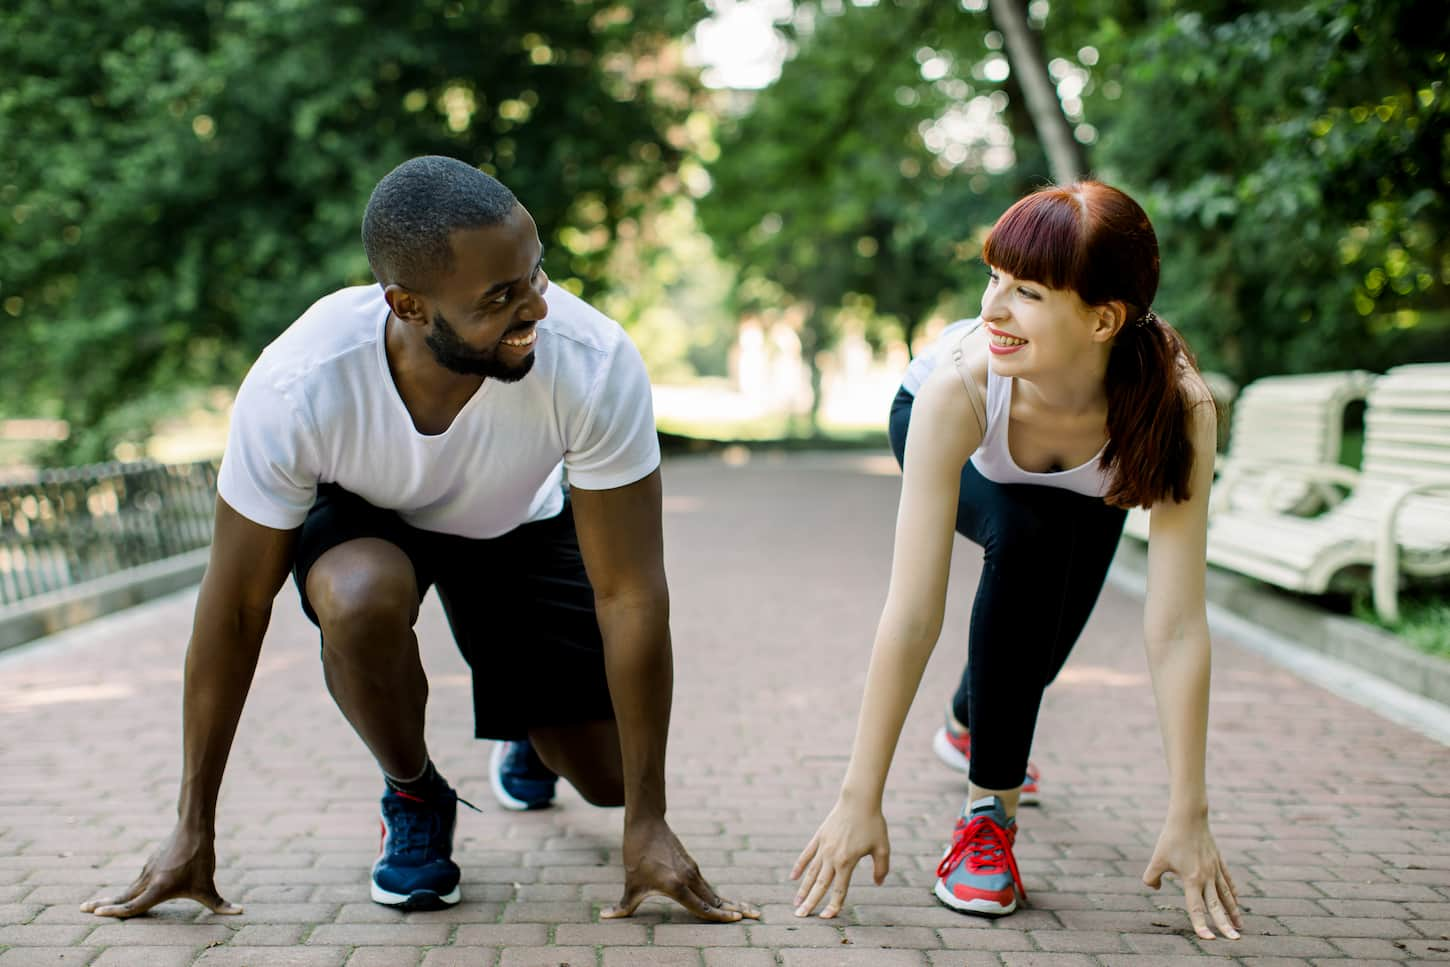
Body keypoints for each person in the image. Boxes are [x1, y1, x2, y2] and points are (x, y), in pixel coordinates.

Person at [81, 155, 758, 923]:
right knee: (360, 600)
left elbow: (629, 591)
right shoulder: (300, 384)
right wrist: (191, 825)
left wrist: (648, 820)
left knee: (605, 780)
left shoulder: (591, 362)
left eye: (535, 274)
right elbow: (236, 606)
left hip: (516, 524)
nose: (536, 308)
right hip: (371, 518)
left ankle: (532, 737)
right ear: (407, 304)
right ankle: (414, 791)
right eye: (500, 297)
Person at [789, 181, 1243, 941]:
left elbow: (1176, 628)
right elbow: (912, 611)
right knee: (1029, 545)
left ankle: (972, 716)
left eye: (1026, 291)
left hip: (1090, 467)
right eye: (993, 278)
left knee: (1040, 644)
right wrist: (858, 796)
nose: (991, 310)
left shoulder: (1176, 407)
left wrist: (1189, 811)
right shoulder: (961, 382)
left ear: (1104, 318)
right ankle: (987, 818)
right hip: (958, 436)